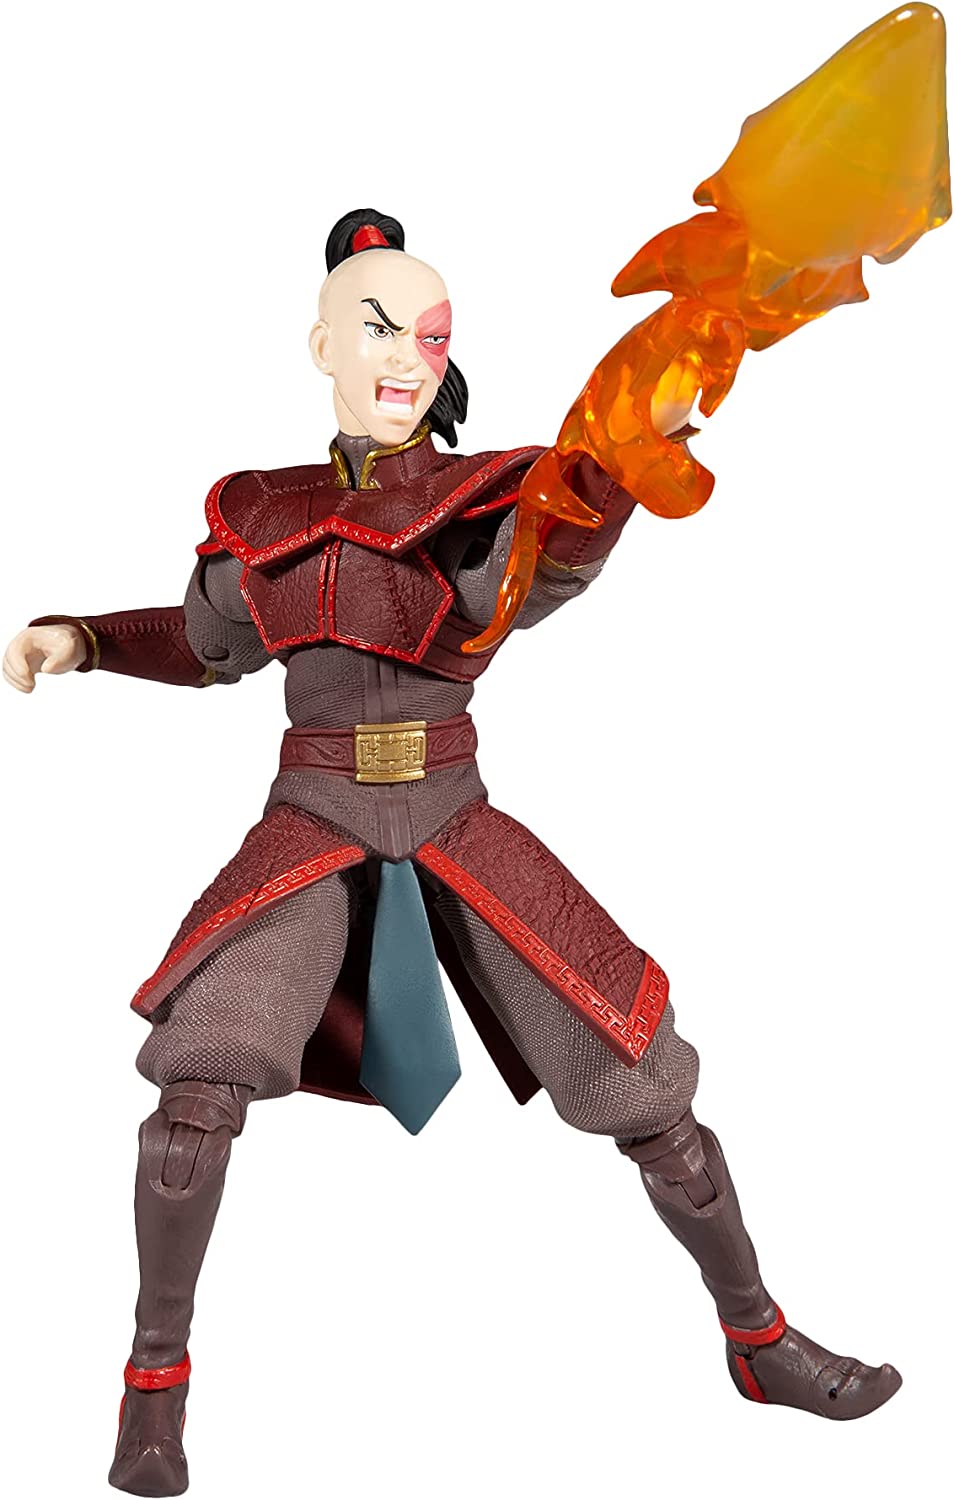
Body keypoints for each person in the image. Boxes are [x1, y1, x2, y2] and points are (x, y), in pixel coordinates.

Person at [3, 208, 901, 1499]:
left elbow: (543, 558)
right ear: (320, 343)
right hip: (310, 822)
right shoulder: (261, 516)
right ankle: (154, 1391)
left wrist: (615, 463)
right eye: (375, 328)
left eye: (428, 336)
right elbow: (204, 645)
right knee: (194, 1098)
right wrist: (83, 638)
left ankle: (757, 1340)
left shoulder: (484, 502)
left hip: (451, 811)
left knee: (640, 1072)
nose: (404, 357)